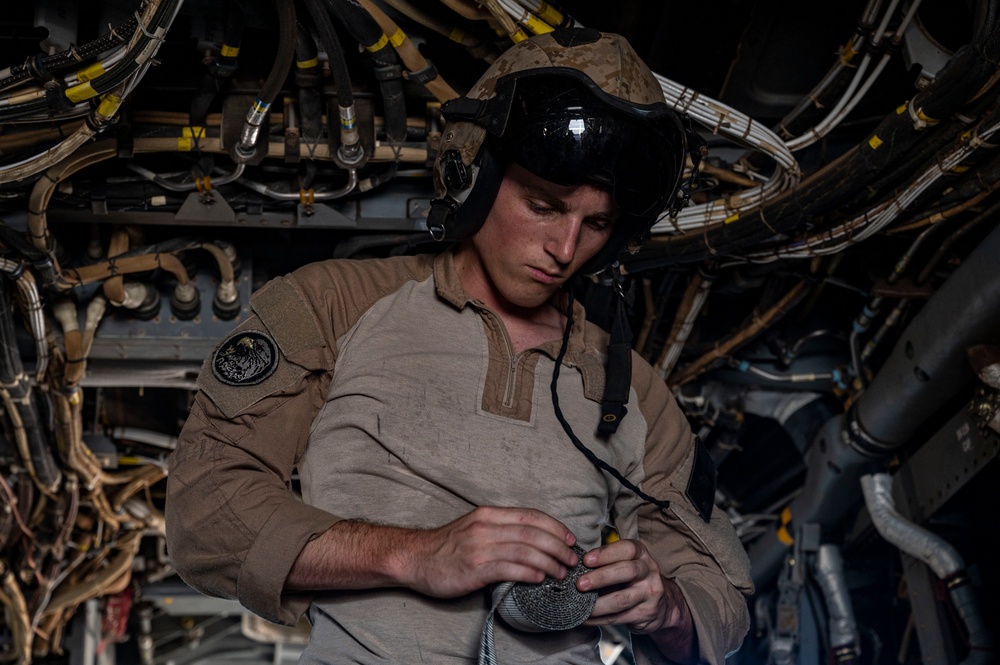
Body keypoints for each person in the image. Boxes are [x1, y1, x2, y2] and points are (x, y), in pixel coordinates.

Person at [165, 27, 754, 665]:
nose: (565, 249)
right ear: (473, 176)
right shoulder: (334, 305)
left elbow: (722, 604)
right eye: (543, 205)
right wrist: (415, 555)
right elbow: (206, 516)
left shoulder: (632, 389)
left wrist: (665, 607)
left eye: (598, 224)